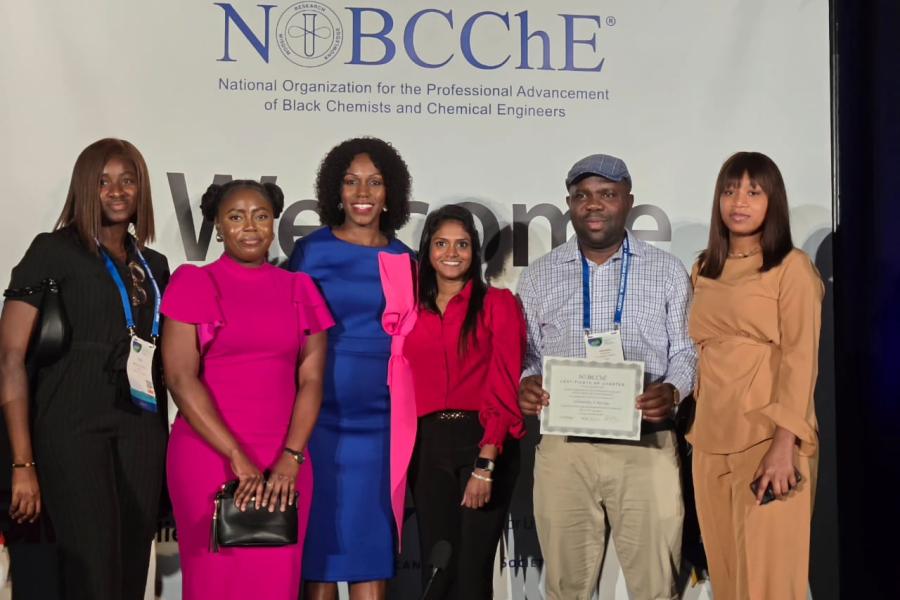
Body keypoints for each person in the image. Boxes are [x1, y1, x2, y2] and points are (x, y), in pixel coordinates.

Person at [517, 154, 696, 600]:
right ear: (570, 205)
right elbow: (528, 354)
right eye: (582, 196)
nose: (593, 205)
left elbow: (687, 350)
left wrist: (673, 390)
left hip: (647, 444)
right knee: (565, 588)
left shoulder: (667, 271)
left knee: (656, 586)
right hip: (565, 451)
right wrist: (527, 381)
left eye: (606, 195)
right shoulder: (540, 275)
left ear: (628, 202)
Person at [0, 138, 169, 599]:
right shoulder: (51, 251)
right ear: (84, 188)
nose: (116, 191)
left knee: (132, 567)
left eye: (127, 180)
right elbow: (11, 358)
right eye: (102, 181)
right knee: (91, 571)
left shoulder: (153, 265)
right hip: (70, 426)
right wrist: (22, 462)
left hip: (142, 428)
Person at [161, 180, 332, 599]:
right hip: (209, 456)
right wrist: (235, 455)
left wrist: (291, 458)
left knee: (277, 582)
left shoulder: (299, 289)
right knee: (213, 582)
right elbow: (181, 379)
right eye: (235, 217)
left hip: (284, 461)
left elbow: (311, 380)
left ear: (274, 223)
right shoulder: (193, 282)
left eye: (260, 216)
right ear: (218, 227)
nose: (249, 227)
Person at [687, 152, 823, 600]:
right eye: (729, 190)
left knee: (769, 589)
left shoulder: (792, 268)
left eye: (752, 191)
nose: (738, 201)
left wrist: (785, 445)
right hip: (709, 442)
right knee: (727, 584)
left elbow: (802, 358)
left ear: (773, 202)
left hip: (769, 442)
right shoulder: (704, 267)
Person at [288, 137, 415, 600]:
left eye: (375, 182)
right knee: (319, 552)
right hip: (319, 421)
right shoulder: (310, 253)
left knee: (371, 549)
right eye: (351, 181)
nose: (363, 191)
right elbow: (288, 334)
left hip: (383, 425)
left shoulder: (405, 259)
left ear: (390, 192)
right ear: (335, 191)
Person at [405, 205, 526, 599]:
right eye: (441, 244)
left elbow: (505, 385)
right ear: (427, 250)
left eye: (462, 244)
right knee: (438, 567)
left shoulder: (497, 304)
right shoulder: (409, 310)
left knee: (472, 575)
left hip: (483, 440)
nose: (451, 253)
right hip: (426, 445)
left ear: (475, 252)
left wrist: (486, 464)